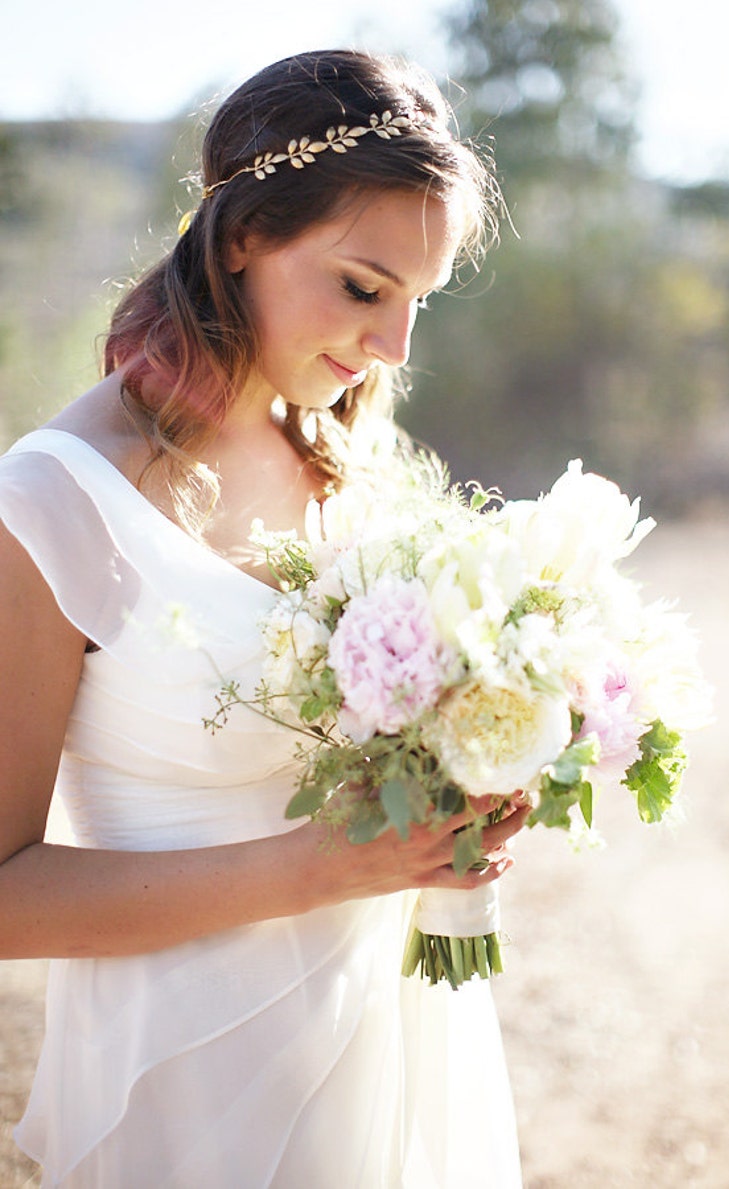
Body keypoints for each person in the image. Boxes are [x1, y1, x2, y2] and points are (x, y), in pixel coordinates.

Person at [0, 50, 526, 1187]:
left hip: (390, 1039)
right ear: (241, 233)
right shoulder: (49, 501)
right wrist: (319, 867)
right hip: (189, 1086)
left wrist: (464, 778)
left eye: (415, 304)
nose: (391, 349)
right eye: (360, 286)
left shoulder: (354, 465)